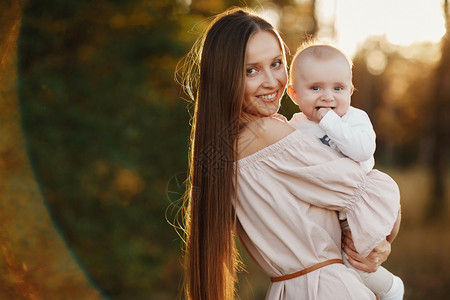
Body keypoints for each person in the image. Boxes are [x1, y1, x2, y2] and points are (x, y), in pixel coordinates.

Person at [178, 7, 400, 300]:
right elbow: (368, 194)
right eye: (251, 70)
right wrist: (381, 241)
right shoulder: (267, 134)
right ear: (225, 77)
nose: (272, 81)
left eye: (277, 63)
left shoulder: (219, 150)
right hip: (328, 289)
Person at [287, 43, 404, 299]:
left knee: (356, 260)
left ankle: (392, 288)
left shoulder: (354, 118)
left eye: (337, 88)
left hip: (360, 204)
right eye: (315, 88)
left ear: (350, 91)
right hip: (328, 208)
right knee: (336, 266)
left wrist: (330, 121)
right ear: (294, 94)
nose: (327, 97)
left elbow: (362, 150)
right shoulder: (294, 127)